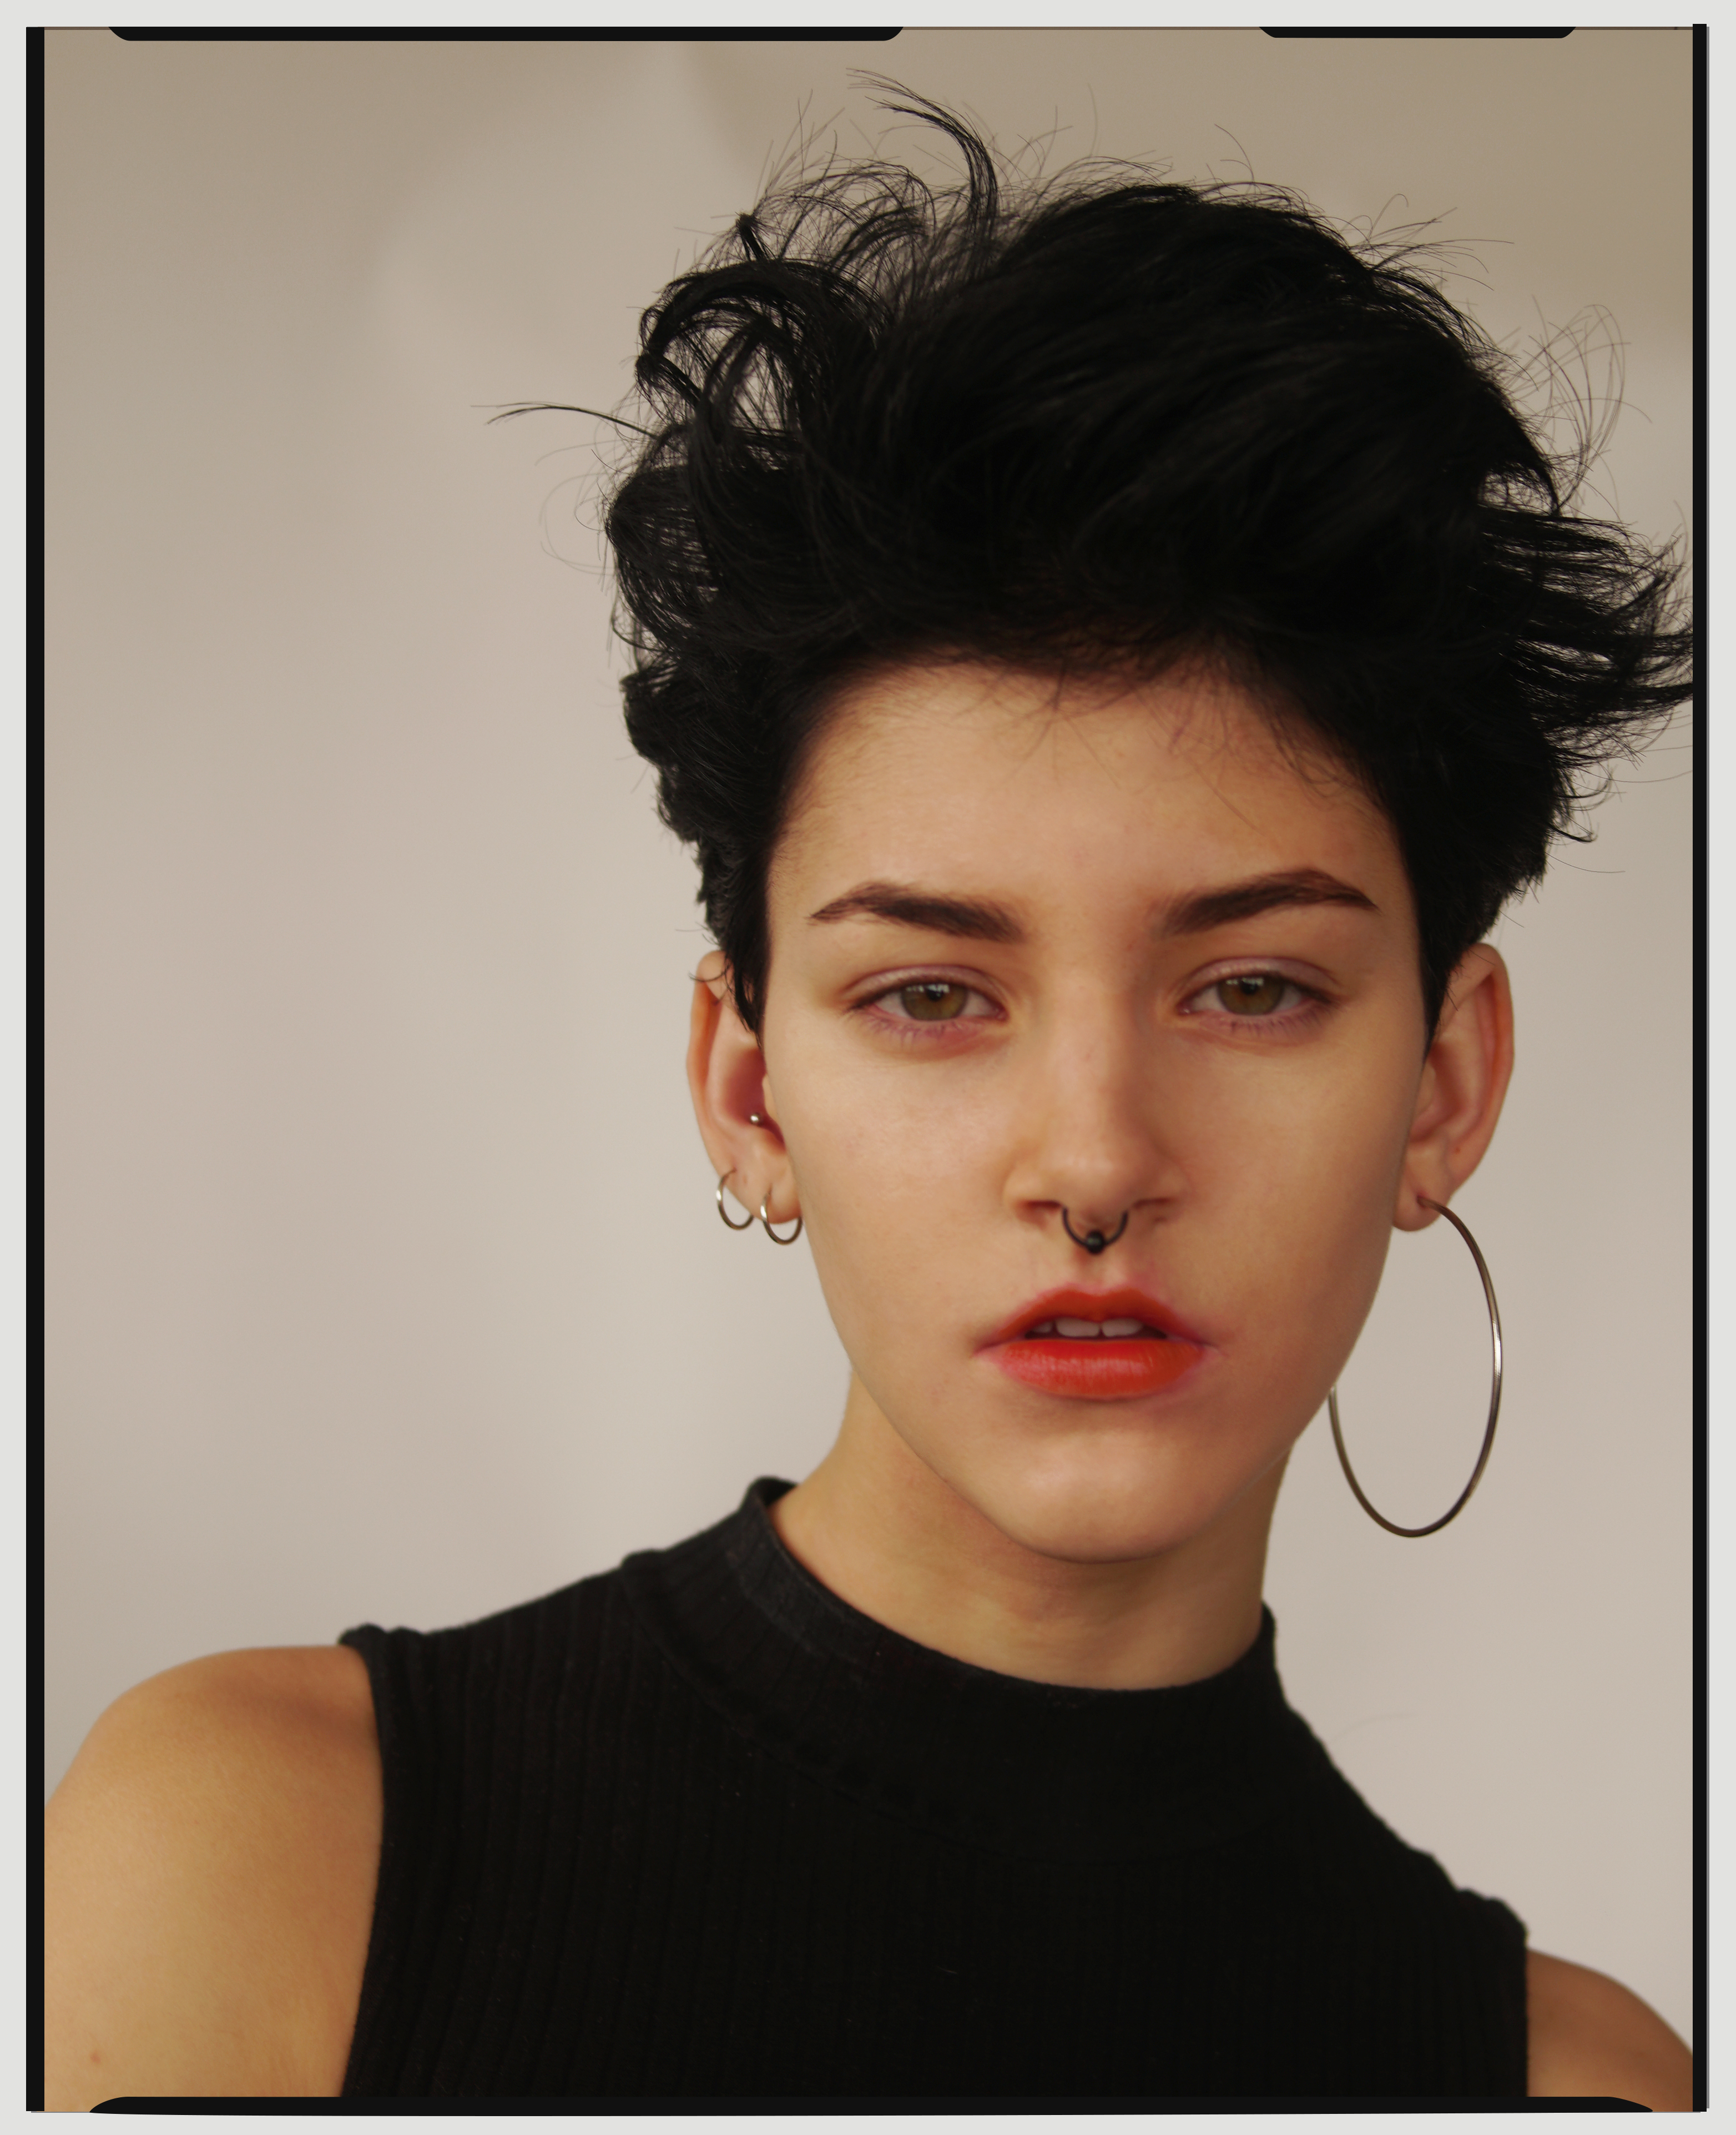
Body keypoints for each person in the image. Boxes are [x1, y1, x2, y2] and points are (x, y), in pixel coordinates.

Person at [44, 100, 1694, 2107]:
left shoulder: (1570, 2087)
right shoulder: (271, 1850)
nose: (1096, 1161)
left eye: (1252, 989)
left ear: (1445, 1082)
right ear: (748, 1085)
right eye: (931, 995)